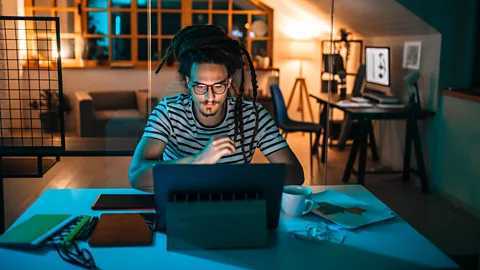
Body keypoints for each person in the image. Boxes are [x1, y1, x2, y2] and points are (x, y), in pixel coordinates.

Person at [129, 25, 304, 190]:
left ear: (228, 82)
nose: (209, 96)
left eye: (218, 86)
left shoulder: (253, 115)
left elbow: (296, 174)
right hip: (179, 208)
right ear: (189, 82)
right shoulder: (168, 112)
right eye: (200, 86)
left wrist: (237, 179)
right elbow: (137, 175)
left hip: (234, 208)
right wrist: (198, 161)